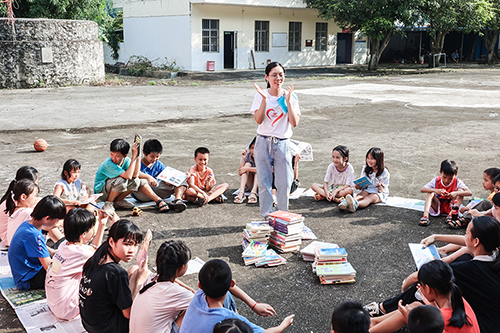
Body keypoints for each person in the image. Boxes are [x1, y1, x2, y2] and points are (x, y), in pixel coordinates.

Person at [367, 216, 500, 333]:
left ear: (476, 241)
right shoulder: (495, 257)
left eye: (466, 233)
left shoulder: (466, 269)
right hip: (490, 320)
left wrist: (405, 285)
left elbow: (417, 277)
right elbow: (467, 245)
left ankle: (382, 309)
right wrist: (437, 238)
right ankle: (376, 321)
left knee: (420, 297)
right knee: (418, 303)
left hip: (481, 325)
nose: (464, 237)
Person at [179, 259, 295, 333]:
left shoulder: (199, 294)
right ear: (232, 283)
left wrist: (253, 304)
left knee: (227, 295)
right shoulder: (226, 318)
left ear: (199, 285)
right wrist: (284, 324)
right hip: (229, 320)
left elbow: (227, 286)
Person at [369, 260, 480, 333]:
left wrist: (410, 320)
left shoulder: (441, 319)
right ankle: (374, 322)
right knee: (416, 306)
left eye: (421, 285)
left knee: (414, 313)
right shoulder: (457, 298)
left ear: (427, 288)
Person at [79, 219, 149, 333]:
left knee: (133, 269)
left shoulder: (96, 258)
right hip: (109, 329)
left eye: (136, 245)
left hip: (89, 324)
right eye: (127, 244)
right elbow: (128, 314)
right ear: (111, 242)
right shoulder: (116, 273)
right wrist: (141, 278)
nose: (132, 250)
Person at [250, 61, 300, 216]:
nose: (278, 78)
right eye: (274, 75)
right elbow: (258, 120)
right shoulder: (260, 95)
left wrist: (288, 102)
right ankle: (266, 214)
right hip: (263, 141)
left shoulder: (291, 96)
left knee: (284, 182)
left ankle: (282, 215)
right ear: (267, 77)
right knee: (264, 182)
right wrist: (265, 100)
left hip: (283, 143)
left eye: (281, 75)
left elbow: (294, 123)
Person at [45, 208, 107, 320]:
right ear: (83, 234)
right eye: (92, 229)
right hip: (67, 310)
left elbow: (93, 250)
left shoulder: (64, 244)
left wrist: (101, 225)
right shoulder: (81, 253)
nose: (93, 231)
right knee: (104, 277)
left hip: (54, 304)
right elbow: (97, 254)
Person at [130, 240, 195, 333]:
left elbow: (174, 282)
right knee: (194, 308)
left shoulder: (151, 278)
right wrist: (192, 291)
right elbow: (200, 301)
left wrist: (190, 290)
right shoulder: (176, 292)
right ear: (181, 268)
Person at [94, 138, 170, 212]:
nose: (114, 158)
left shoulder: (126, 160)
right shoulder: (109, 163)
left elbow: (135, 174)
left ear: (125, 155)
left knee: (136, 181)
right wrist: (134, 156)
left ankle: (118, 201)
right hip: (102, 194)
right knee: (122, 180)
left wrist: (138, 156)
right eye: (111, 154)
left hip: (112, 189)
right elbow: (128, 176)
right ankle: (108, 203)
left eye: (117, 156)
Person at [8, 195, 66, 291]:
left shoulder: (28, 224)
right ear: (47, 218)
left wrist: (55, 253)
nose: (58, 223)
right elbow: (48, 267)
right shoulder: (33, 235)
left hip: (28, 271)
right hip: (27, 279)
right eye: (57, 220)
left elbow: (44, 248)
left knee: (63, 243)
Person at [132, 139, 187, 212]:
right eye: (152, 156)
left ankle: (177, 200)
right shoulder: (137, 162)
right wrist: (148, 177)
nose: (155, 159)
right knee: (139, 181)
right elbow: (133, 173)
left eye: (157, 156)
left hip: (158, 190)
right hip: (142, 194)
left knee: (182, 178)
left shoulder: (159, 164)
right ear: (144, 153)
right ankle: (159, 202)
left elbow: (166, 177)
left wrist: (170, 181)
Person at [419, 160, 471, 227]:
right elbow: (422, 189)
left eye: (450, 178)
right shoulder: (436, 180)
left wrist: (456, 193)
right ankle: (425, 215)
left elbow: (469, 192)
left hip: (451, 206)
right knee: (430, 192)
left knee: (461, 191)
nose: (447, 181)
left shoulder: (457, 182)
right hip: (438, 205)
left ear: (455, 175)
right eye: (444, 177)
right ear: (440, 172)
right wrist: (436, 190)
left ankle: (451, 214)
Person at [342, 147, 389, 213]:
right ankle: (346, 203)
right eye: (368, 158)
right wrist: (359, 185)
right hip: (368, 188)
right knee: (361, 195)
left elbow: (382, 189)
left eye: (372, 158)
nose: (369, 160)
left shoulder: (384, 172)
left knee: (369, 198)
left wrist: (379, 187)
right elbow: (361, 186)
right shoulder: (365, 169)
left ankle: (355, 204)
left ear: (378, 159)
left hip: (377, 192)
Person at [0, 166, 38, 246]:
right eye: (36, 182)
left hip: (10, 238)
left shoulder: (13, 198)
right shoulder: (18, 206)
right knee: (44, 218)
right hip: (10, 239)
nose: (37, 184)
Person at [234, 137, 258, 204]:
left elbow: (263, 171)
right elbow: (240, 172)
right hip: (249, 184)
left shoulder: (263, 156)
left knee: (258, 170)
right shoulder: (248, 156)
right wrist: (243, 159)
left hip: (260, 185)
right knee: (247, 164)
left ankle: (253, 193)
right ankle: (241, 193)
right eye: (252, 148)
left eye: (256, 148)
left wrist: (247, 169)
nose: (253, 151)